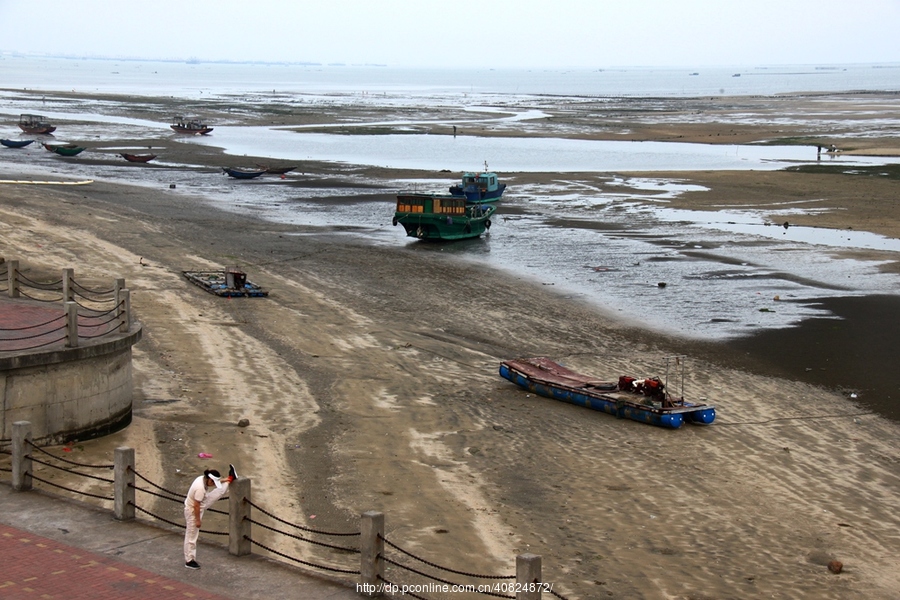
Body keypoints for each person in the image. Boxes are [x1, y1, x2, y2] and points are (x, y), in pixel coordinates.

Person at [183, 464, 238, 569]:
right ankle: (189, 560)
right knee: (191, 536)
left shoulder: (202, 479)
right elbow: (196, 505)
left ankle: (231, 478)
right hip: (193, 511)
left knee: (220, 491)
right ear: (209, 479)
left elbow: (200, 503)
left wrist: (224, 480)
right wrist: (198, 521)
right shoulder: (200, 489)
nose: (213, 484)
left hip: (200, 505)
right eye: (213, 482)